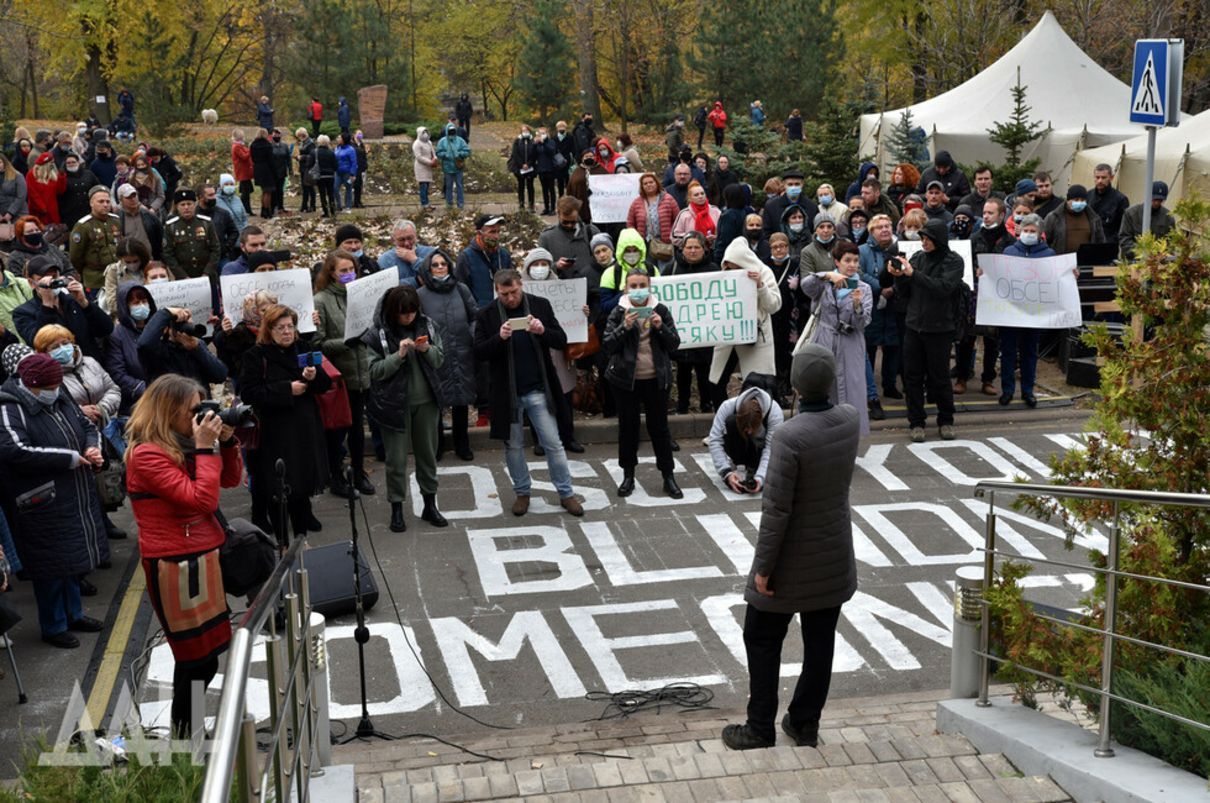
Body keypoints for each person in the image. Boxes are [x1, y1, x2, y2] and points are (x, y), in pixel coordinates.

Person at [721, 343, 860, 751]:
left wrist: (762, 569)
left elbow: (777, 511)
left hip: (789, 563)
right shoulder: (849, 420)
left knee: (761, 637)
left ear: (795, 386)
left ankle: (759, 726)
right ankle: (804, 722)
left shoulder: (789, 437)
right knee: (821, 643)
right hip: (834, 555)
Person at [125, 374, 241, 737]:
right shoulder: (146, 454)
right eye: (195, 409)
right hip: (174, 566)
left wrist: (228, 442)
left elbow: (230, 480)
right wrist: (206, 447)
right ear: (168, 410)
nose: (202, 416)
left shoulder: (186, 443)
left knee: (207, 657)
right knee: (195, 660)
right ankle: (184, 738)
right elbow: (201, 499)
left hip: (201, 556)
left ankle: (187, 732)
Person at [0, 351, 107, 649]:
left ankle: (74, 614)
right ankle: (54, 624)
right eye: (48, 387)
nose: (55, 391)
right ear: (31, 385)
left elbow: (86, 427)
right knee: (50, 567)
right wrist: (68, 459)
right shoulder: (9, 407)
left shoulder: (59, 395)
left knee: (72, 560)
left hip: (73, 490)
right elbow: (14, 449)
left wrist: (92, 448)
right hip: (40, 499)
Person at [472, 269, 583, 517]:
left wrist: (542, 331)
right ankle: (522, 492)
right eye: (504, 294)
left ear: (521, 285)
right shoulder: (487, 314)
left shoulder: (540, 305)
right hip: (507, 393)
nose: (510, 298)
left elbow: (561, 339)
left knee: (553, 443)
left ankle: (566, 493)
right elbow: (478, 352)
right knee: (513, 446)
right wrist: (499, 338)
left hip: (538, 388)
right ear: (496, 291)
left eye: (514, 292)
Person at [240, 305, 328, 541]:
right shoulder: (256, 356)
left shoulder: (304, 348)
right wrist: (287, 389)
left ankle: (300, 538)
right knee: (277, 491)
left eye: (290, 326)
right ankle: (281, 542)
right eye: (281, 328)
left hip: (304, 430)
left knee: (300, 488)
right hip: (274, 434)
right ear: (269, 330)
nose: (287, 332)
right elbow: (249, 392)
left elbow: (326, 384)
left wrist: (314, 376)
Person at [362, 286, 446, 532]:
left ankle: (430, 504)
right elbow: (374, 371)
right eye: (403, 313)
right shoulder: (377, 334)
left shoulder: (428, 325)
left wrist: (427, 349)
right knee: (396, 460)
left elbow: (440, 359)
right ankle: (397, 508)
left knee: (428, 456)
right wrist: (397, 357)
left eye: (412, 312)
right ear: (392, 312)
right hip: (393, 404)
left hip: (426, 402)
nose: (409, 317)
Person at [602, 268, 682, 498]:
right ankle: (628, 476)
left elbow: (674, 343)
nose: (638, 291)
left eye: (642, 286)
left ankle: (668, 476)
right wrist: (624, 327)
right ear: (626, 289)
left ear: (649, 287)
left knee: (660, 429)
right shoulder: (618, 312)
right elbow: (607, 345)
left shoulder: (661, 310)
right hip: (625, 381)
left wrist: (660, 326)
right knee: (628, 429)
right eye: (633, 286)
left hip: (656, 380)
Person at [887, 218, 964, 442]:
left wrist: (913, 275)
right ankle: (916, 421)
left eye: (928, 238)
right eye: (922, 238)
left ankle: (946, 419)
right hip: (914, 326)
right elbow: (904, 292)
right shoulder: (918, 258)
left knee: (939, 377)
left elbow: (943, 288)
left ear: (939, 239)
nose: (924, 242)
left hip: (940, 328)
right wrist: (898, 276)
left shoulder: (953, 261)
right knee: (912, 377)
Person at [313, 250, 375, 499]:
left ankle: (359, 472)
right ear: (331, 273)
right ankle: (336, 477)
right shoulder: (321, 301)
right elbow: (319, 343)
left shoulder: (360, 296)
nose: (349, 274)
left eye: (352, 270)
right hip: (339, 378)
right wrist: (349, 341)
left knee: (358, 430)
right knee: (337, 431)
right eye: (343, 271)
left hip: (363, 373)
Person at [800, 241, 874, 435]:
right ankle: (823, 434)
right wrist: (826, 275)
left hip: (850, 342)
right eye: (847, 260)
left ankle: (851, 435)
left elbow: (863, 322)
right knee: (825, 387)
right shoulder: (824, 284)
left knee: (853, 388)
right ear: (837, 261)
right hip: (824, 339)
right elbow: (805, 286)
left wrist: (857, 305)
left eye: (856, 261)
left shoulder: (864, 288)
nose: (852, 265)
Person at [417, 250, 477, 461]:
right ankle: (437, 446)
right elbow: (418, 324)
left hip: (462, 351)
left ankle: (463, 445)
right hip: (436, 355)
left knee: (461, 401)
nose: (441, 267)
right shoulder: (421, 294)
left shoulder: (461, 289)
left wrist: (471, 336)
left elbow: (474, 316)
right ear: (428, 269)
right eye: (435, 264)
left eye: (444, 263)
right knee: (436, 401)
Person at [710, 238, 782, 408]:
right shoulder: (722, 276)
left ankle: (762, 423)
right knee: (716, 381)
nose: (728, 270)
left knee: (759, 385)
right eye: (725, 266)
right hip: (728, 335)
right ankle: (723, 425)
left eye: (732, 266)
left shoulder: (764, 273)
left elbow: (774, 306)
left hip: (755, 337)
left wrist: (760, 286)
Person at [14, 256, 113, 361]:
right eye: (44, 279)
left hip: (91, 365)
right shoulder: (23, 313)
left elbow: (106, 329)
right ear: (31, 283)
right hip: (59, 370)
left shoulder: (73, 301)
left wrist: (85, 303)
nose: (51, 282)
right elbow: (40, 343)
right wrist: (47, 305)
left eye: (54, 277)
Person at [667, 232, 716, 414]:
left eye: (697, 247)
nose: (693, 251)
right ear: (682, 249)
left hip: (706, 331)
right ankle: (682, 405)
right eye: (689, 247)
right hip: (681, 332)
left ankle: (706, 403)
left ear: (704, 249)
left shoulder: (713, 269)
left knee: (705, 371)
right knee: (683, 371)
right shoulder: (671, 269)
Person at [707, 378, 783, 493]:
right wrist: (726, 473)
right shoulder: (727, 406)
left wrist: (760, 479)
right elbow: (714, 440)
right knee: (730, 422)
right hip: (739, 446)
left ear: (762, 417)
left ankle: (754, 466)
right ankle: (740, 464)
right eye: (744, 428)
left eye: (753, 428)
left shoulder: (775, 412)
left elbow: (771, 448)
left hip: (760, 448)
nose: (748, 432)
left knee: (771, 450)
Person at [136, 303, 227, 390]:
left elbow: (220, 375)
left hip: (198, 403)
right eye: (181, 324)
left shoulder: (197, 345)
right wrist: (166, 313)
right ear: (167, 329)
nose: (186, 327)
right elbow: (144, 344)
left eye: (188, 322)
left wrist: (198, 349)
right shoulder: (158, 350)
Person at [859, 215, 901, 402]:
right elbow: (860, 273)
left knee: (893, 347)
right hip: (872, 305)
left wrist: (893, 289)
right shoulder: (862, 251)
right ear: (871, 231)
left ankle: (890, 385)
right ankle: (867, 388)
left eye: (888, 226)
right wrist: (880, 287)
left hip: (894, 305)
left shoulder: (899, 249)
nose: (884, 230)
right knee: (869, 347)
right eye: (879, 227)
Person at [103, 282, 153, 413]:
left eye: (144, 301)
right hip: (137, 406)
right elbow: (117, 374)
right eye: (135, 303)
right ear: (126, 307)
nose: (141, 306)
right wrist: (146, 390)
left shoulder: (158, 329)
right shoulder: (117, 336)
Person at [163, 189, 222, 281]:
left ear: (195, 205)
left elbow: (216, 249)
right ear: (177, 207)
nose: (186, 207)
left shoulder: (206, 223)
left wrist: (207, 272)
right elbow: (168, 254)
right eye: (182, 205)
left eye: (189, 204)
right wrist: (182, 276)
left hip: (207, 276)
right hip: (183, 278)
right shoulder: (171, 226)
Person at [626, 173, 679, 262]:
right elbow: (630, 223)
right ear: (642, 186)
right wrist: (636, 238)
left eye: (651, 182)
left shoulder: (668, 199)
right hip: (645, 244)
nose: (648, 185)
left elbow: (678, 220)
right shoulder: (636, 203)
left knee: (664, 272)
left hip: (665, 244)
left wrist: (671, 235)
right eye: (645, 184)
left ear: (656, 183)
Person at [1042, 184, 1106, 255]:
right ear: (1067, 200)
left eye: (1082, 200)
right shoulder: (1054, 217)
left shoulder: (1094, 218)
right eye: (1076, 200)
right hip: (1060, 261)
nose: (1079, 202)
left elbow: (1100, 241)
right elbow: (1044, 240)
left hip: (1086, 261)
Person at [1119, 181, 1175, 261]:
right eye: (1154, 199)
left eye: (1160, 200)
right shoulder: (1131, 213)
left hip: (1158, 263)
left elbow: (1171, 242)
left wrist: (1162, 254)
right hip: (1133, 261)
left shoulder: (1168, 217)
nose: (1156, 203)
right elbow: (1124, 239)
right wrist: (1142, 253)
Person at [5, 215, 73, 279]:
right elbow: (19, 282)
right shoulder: (15, 257)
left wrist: (66, 279)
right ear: (21, 236)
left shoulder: (51, 248)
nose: (35, 233)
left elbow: (69, 269)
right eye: (30, 232)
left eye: (37, 230)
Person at [99, 237, 151, 315]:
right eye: (128, 262)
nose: (132, 265)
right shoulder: (114, 271)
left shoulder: (151, 268)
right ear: (121, 258)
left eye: (135, 261)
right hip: (125, 316)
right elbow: (112, 302)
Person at [379, 219, 436, 287]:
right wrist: (416, 281)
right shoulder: (386, 260)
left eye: (410, 238)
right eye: (401, 240)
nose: (406, 243)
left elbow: (440, 275)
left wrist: (414, 260)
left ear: (416, 236)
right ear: (393, 240)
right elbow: (384, 287)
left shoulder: (431, 253)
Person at [115, 183, 163, 262]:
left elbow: (160, 237)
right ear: (121, 200)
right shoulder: (117, 219)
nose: (133, 199)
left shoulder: (149, 216)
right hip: (129, 262)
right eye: (128, 197)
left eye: (134, 195)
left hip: (150, 261)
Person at [762, 171, 818, 237]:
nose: (793, 187)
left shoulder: (812, 206)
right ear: (784, 185)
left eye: (797, 184)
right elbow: (766, 233)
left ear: (802, 184)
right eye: (790, 184)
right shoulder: (771, 206)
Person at [672, 181, 720, 249]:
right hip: (692, 253)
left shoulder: (715, 211)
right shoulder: (684, 214)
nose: (700, 196)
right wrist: (693, 239)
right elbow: (675, 236)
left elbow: (724, 232)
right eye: (696, 195)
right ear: (690, 198)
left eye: (702, 193)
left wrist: (715, 237)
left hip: (714, 250)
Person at [1090, 163, 1130, 242]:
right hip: (1089, 243)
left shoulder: (1120, 199)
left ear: (1111, 178)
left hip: (1109, 245)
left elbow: (1123, 227)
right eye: (1097, 177)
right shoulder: (1088, 196)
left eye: (1103, 177)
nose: (1100, 181)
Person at [58, 152, 99, 225]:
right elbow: (60, 196)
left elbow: (97, 188)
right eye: (68, 163)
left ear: (78, 162)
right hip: (71, 213)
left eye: (73, 162)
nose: (71, 164)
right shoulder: (62, 177)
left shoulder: (88, 174)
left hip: (88, 210)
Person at [435, 123, 470, 210]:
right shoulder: (442, 141)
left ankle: (460, 204)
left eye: (453, 132)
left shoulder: (460, 141)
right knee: (448, 186)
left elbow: (467, 151)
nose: (452, 134)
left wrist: (460, 154)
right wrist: (445, 155)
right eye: (450, 132)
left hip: (458, 167)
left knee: (459, 186)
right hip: (447, 168)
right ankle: (449, 204)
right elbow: (438, 152)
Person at [508, 125, 538, 212]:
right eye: (523, 130)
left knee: (530, 186)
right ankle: (521, 205)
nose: (525, 132)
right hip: (519, 168)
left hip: (530, 168)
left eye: (527, 130)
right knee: (521, 187)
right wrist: (522, 165)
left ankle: (531, 205)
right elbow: (515, 154)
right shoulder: (517, 141)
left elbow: (534, 154)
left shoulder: (533, 141)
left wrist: (528, 164)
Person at [249, 128, 275, 219]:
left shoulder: (253, 145)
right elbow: (271, 159)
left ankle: (263, 210)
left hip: (257, 168)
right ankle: (267, 210)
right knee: (268, 191)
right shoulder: (267, 145)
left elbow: (251, 157)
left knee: (263, 191)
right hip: (266, 169)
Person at [412, 127, 437, 210]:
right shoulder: (417, 144)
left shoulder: (429, 142)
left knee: (427, 186)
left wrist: (435, 158)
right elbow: (419, 157)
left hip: (428, 167)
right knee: (423, 186)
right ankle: (424, 203)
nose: (425, 134)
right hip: (421, 167)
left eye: (426, 132)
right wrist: (430, 162)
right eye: (423, 132)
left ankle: (427, 202)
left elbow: (433, 152)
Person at [0, 152, 28, 223]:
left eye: (0, 162)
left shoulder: (17, 175)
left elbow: (21, 196)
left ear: (5, 162)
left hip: (19, 214)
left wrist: (10, 212)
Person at [332, 133, 357, 213]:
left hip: (347, 172)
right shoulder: (337, 148)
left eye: (339, 138)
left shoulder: (350, 149)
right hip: (338, 172)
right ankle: (338, 205)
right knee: (335, 188)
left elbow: (354, 162)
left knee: (348, 189)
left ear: (343, 140)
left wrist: (353, 174)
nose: (337, 139)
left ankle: (348, 206)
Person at [231, 129, 256, 211]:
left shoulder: (241, 146)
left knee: (247, 192)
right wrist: (250, 150)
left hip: (246, 172)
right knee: (245, 193)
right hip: (242, 172)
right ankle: (243, 209)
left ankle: (247, 209)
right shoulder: (236, 147)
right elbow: (244, 157)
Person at [314, 134, 338, 218]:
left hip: (320, 176)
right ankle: (333, 210)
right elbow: (335, 165)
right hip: (330, 176)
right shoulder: (331, 152)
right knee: (331, 193)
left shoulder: (315, 152)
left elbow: (310, 163)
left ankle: (326, 212)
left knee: (322, 194)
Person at [269, 128, 292, 214]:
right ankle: (273, 207)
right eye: (275, 134)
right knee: (273, 190)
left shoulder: (284, 146)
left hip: (282, 171)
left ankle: (281, 207)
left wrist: (290, 169)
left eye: (278, 134)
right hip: (273, 172)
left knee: (280, 190)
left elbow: (288, 158)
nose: (276, 136)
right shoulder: (270, 145)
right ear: (272, 136)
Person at [352, 130, 369, 209]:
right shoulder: (352, 144)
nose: (360, 135)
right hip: (354, 167)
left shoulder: (361, 144)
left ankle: (358, 201)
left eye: (361, 134)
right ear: (355, 135)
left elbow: (363, 155)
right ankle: (354, 202)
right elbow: (357, 152)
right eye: (359, 133)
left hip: (361, 167)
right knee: (355, 185)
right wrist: (364, 151)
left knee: (359, 185)